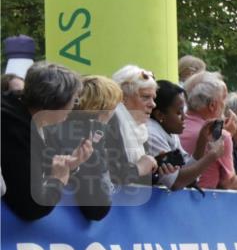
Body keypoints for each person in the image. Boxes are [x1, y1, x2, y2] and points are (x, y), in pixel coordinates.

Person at [1, 62, 90, 221]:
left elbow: (29, 167)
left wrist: (69, 165)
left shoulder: (24, 115)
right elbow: (32, 207)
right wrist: (58, 180)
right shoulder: (13, 128)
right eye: (74, 101)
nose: (73, 107)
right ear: (56, 102)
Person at [46, 75, 122, 220]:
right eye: (115, 107)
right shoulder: (82, 136)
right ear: (105, 109)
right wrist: (98, 132)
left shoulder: (60, 126)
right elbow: (97, 208)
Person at [146, 80, 228, 190]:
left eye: (184, 110)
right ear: (160, 115)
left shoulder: (169, 130)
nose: (185, 117)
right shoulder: (152, 134)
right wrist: (212, 156)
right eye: (178, 113)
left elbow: (188, 172)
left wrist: (202, 140)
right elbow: (175, 182)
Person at [106, 65, 159, 187]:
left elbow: (139, 179)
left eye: (153, 98)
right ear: (123, 98)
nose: (153, 104)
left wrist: (156, 167)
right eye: (145, 97)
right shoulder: (108, 123)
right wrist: (139, 168)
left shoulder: (140, 130)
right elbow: (108, 176)